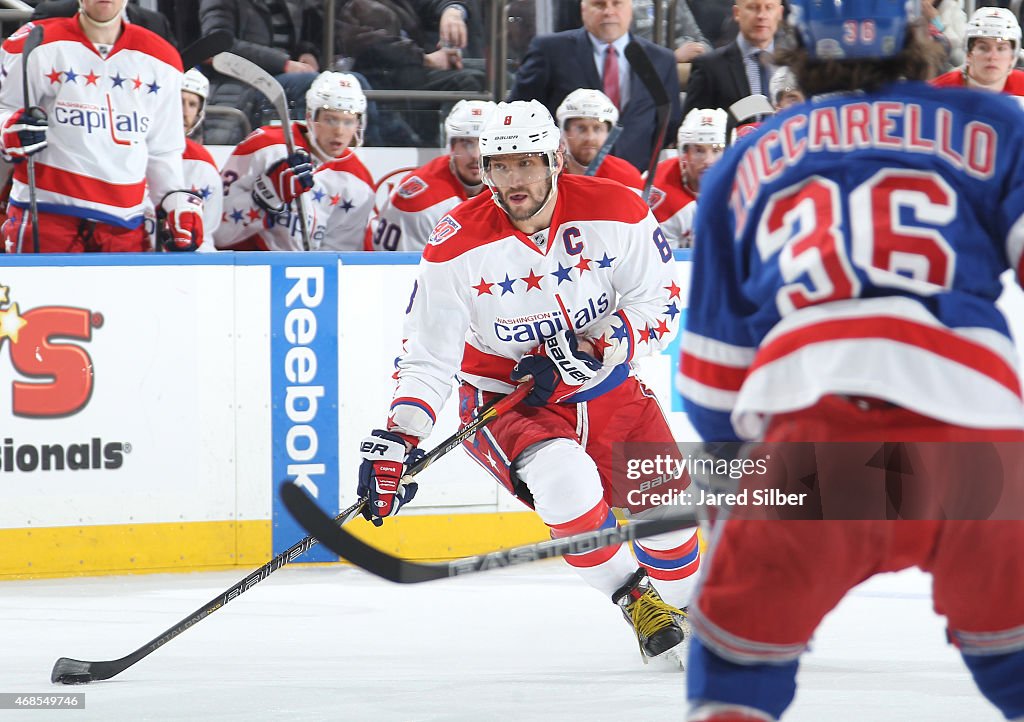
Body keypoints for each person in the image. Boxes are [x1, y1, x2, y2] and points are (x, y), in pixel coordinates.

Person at [677, 0, 1024, 719]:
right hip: (978, 439)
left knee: (733, 670)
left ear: (799, 45)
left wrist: (735, 488)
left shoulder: (742, 162)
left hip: (814, 438)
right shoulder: (996, 125)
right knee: (1014, 659)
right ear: (923, 36)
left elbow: (713, 379)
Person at [357, 99, 701, 666]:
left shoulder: (617, 209)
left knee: (669, 522)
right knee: (565, 480)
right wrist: (400, 437)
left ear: (556, 159)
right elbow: (426, 357)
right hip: (505, 402)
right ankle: (636, 600)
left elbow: (661, 303)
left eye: (527, 163)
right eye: (500, 165)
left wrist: (595, 343)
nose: (514, 180)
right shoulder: (456, 243)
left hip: (606, 389)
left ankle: (695, 611)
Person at [0, 2, 202, 253]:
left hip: (125, 224)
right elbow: (4, 108)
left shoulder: (162, 59)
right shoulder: (36, 42)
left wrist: (173, 199)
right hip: (46, 214)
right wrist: (8, 128)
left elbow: (163, 148)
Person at [509, 0, 682, 174]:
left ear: (630, 8)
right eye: (599, 5)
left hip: (635, 182)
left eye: (617, 4)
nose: (609, 11)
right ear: (583, 9)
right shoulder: (549, 50)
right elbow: (520, 112)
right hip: (564, 180)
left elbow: (669, 124)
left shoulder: (661, 60)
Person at [215, 71, 374, 252]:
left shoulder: (358, 181)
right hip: (244, 268)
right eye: (330, 119)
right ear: (310, 117)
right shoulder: (264, 146)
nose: (339, 131)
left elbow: (339, 258)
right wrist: (265, 196)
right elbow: (217, 232)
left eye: (348, 122)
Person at [369, 99, 495, 253]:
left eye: (484, 143)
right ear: (451, 147)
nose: (475, 155)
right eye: (466, 143)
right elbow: (403, 269)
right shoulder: (422, 204)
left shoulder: (509, 185)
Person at [146, 68, 222, 252]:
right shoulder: (132, 149)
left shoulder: (202, 163)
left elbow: (207, 234)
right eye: (179, 101)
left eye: (192, 104)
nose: (184, 112)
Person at [681, 0, 784, 127]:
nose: (761, 16)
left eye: (769, 8)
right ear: (737, 13)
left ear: (780, 13)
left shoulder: (794, 66)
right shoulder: (708, 67)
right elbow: (690, 129)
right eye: (752, 7)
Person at [647, 107, 726, 248]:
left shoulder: (743, 186)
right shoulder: (664, 193)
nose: (708, 160)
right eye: (699, 150)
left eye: (716, 150)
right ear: (685, 154)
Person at [555, 88, 642, 189]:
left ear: (609, 134)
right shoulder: (547, 176)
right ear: (564, 132)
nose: (590, 138)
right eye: (580, 128)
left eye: (598, 128)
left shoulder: (627, 177)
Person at [931, 6, 1024, 96]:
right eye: (983, 48)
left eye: (1001, 49)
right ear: (969, 53)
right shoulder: (939, 90)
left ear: (1013, 56)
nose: (992, 57)